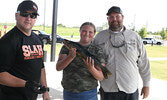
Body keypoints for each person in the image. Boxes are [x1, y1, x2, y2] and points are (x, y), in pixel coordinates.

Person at [92, 6, 151, 100]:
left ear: (122, 17)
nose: (114, 19)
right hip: (108, 89)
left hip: (130, 89)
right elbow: (92, 60)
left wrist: (146, 84)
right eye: (111, 17)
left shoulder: (134, 36)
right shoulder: (99, 37)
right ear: (108, 19)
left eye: (117, 16)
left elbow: (143, 62)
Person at [0, 0, 50, 100]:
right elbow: (1, 74)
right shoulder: (8, 41)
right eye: (24, 14)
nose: (28, 18)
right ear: (16, 16)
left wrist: (45, 90)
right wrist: (26, 84)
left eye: (33, 16)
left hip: (31, 96)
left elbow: (41, 67)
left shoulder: (38, 40)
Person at [56, 22, 105, 100]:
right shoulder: (66, 48)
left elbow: (101, 77)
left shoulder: (97, 50)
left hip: (89, 94)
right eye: (84, 31)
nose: (87, 34)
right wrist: (70, 57)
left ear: (94, 34)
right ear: (80, 31)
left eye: (90, 32)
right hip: (69, 93)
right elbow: (58, 67)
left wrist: (91, 68)